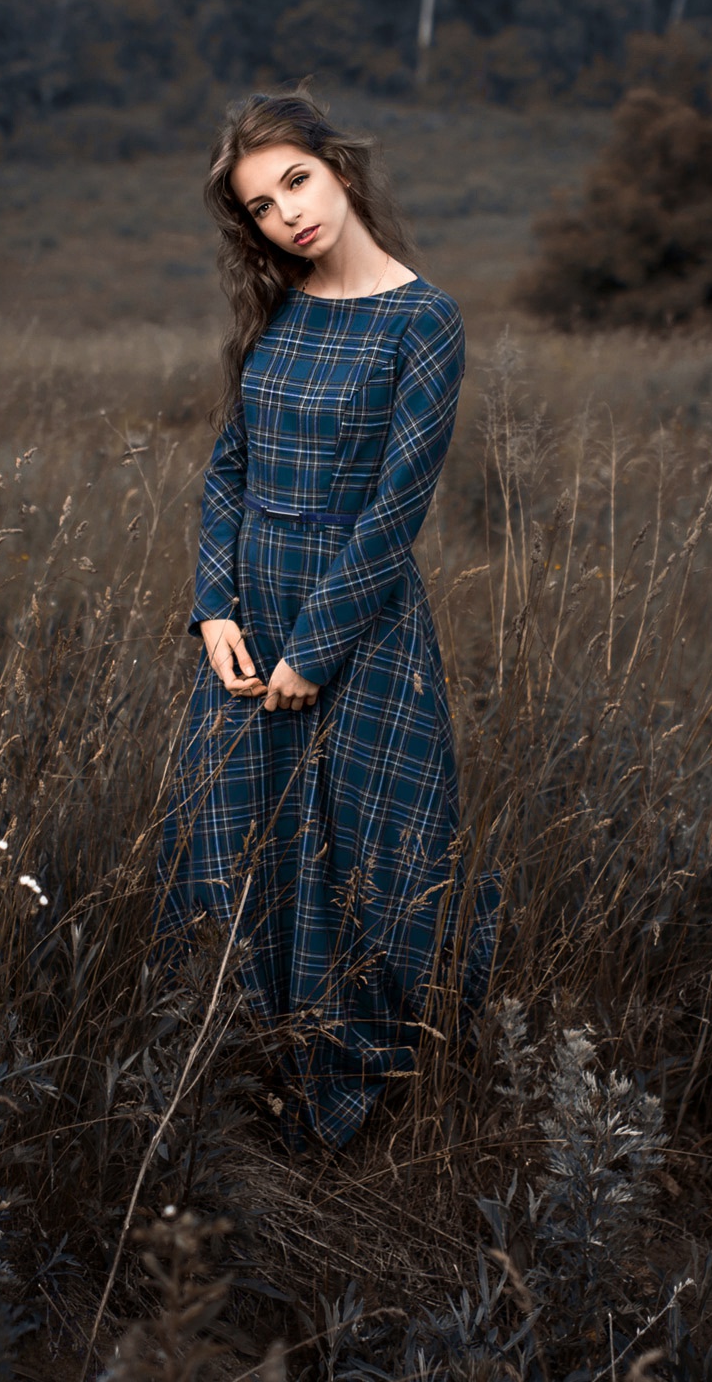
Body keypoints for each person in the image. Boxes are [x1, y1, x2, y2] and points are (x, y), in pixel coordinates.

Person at [156, 87, 495, 1153]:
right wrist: (214, 606)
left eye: (296, 181)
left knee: (372, 866)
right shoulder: (279, 310)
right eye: (260, 205)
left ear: (339, 171)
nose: (287, 214)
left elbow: (399, 508)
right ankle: (236, 1089)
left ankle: (354, 1105)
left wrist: (318, 647)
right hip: (250, 626)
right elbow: (229, 471)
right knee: (226, 852)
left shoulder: (423, 319)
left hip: (358, 633)